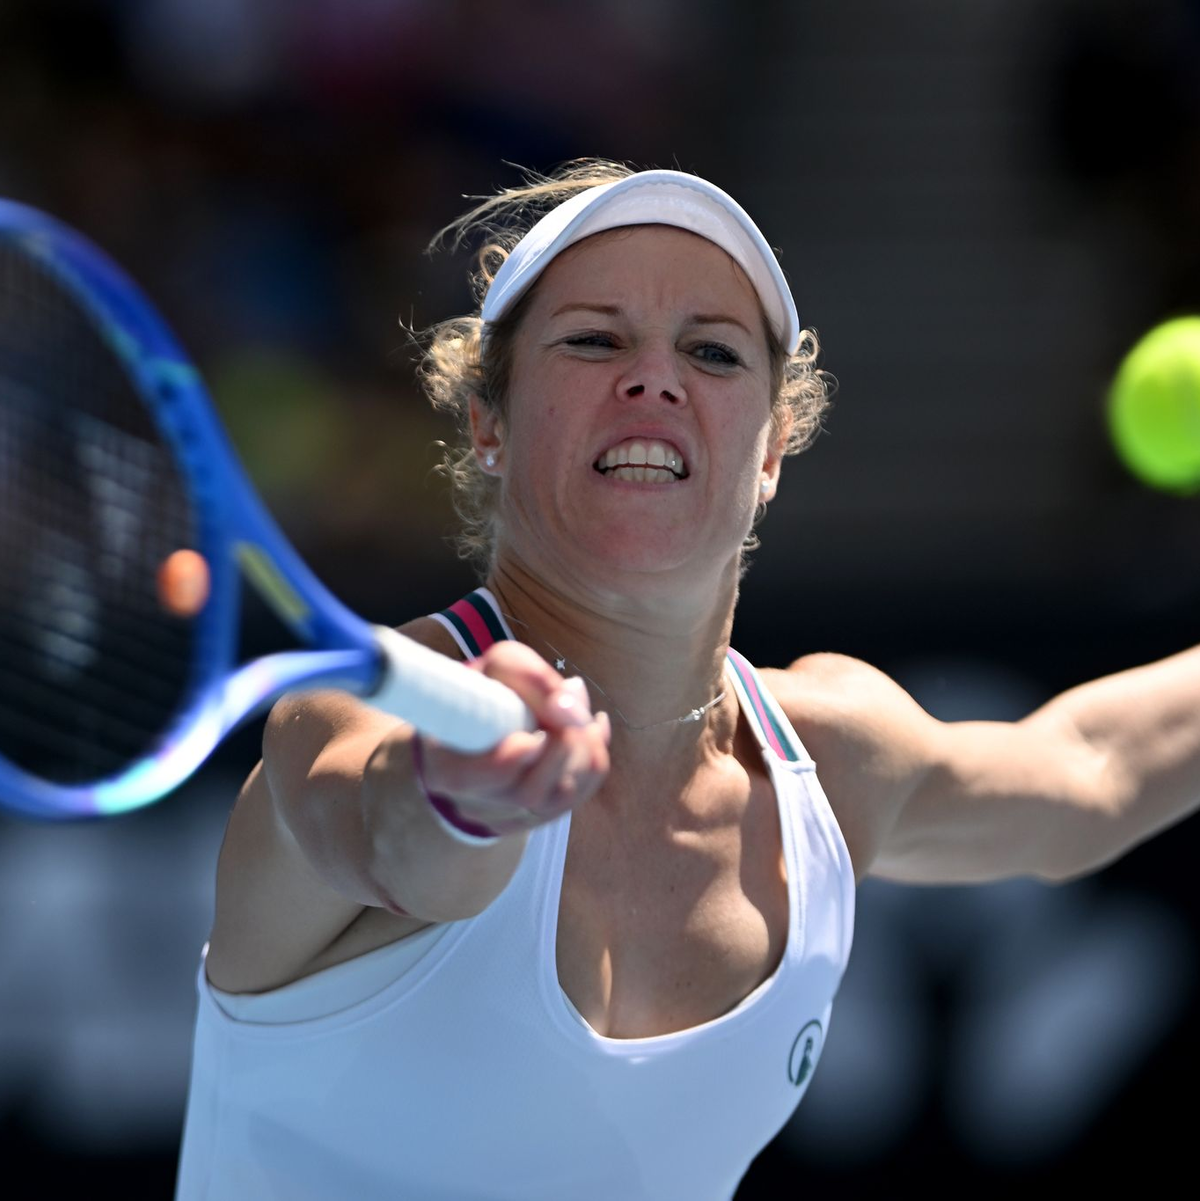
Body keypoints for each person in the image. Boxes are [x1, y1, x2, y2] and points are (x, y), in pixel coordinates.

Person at [174, 161, 1200, 1201]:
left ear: (772, 452)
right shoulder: (346, 719)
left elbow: (1091, 772)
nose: (654, 377)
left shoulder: (832, 756)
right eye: (593, 339)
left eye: (711, 351)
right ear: (490, 420)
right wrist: (464, 797)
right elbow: (394, 831)